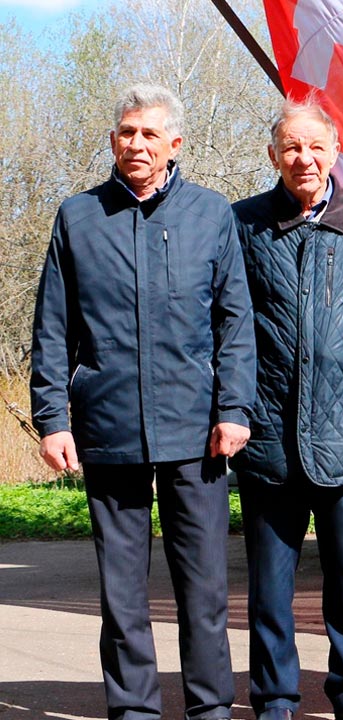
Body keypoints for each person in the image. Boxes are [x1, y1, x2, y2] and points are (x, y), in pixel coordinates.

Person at [29, 84, 254, 720]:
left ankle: (210, 709)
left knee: (204, 589)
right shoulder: (77, 217)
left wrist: (235, 408)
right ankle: (134, 712)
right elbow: (52, 327)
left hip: (196, 431)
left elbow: (236, 323)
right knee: (121, 593)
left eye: (150, 134)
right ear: (113, 141)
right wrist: (53, 419)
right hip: (108, 427)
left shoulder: (212, 215)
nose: (137, 144)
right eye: (127, 132)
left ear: (175, 144)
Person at [232, 98, 343, 720]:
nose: (304, 159)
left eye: (316, 147)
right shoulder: (242, 224)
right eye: (291, 148)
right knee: (270, 588)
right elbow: (228, 321)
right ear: (273, 156)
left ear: (336, 153)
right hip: (267, 434)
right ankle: (275, 698)